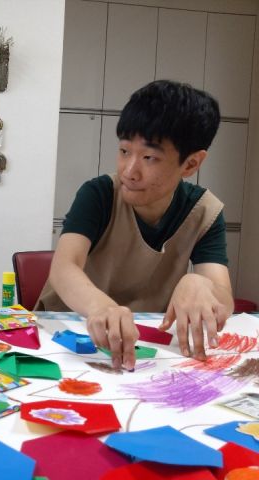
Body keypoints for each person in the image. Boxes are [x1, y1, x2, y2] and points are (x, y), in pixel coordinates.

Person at [35, 80, 233, 370]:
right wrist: (101, 306)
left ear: (191, 164)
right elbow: (64, 267)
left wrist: (200, 283)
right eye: (124, 151)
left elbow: (224, 300)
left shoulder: (204, 211)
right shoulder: (99, 194)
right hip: (67, 336)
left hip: (146, 346)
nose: (129, 171)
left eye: (149, 157)